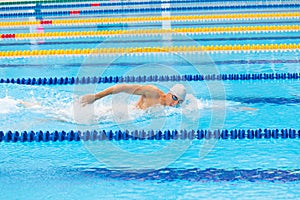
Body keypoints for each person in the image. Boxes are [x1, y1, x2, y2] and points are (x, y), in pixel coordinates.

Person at [80, 84, 186, 109]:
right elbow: (122, 88)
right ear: (169, 93)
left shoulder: (170, 108)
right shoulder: (152, 92)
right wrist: (96, 97)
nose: (175, 103)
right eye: (175, 98)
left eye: (179, 101)